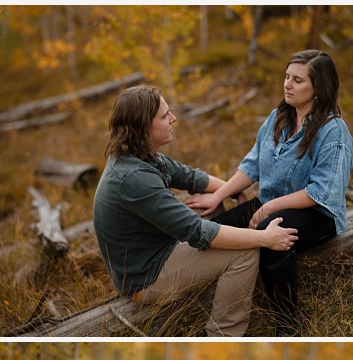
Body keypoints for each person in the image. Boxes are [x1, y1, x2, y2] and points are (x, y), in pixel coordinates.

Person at [93, 85, 299, 337]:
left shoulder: (140, 155)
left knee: (212, 205)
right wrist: (266, 238)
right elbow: (198, 232)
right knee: (245, 252)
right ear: (142, 126)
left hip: (158, 252)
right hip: (146, 279)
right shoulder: (134, 178)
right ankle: (222, 334)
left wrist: (231, 193)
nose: (173, 119)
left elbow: (192, 178)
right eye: (164, 116)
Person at [187, 50, 353, 336]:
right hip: (270, 203)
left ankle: (287, 325)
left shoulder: (332, 130)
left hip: (316, 214)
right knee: (213, 231)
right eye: (287, 77)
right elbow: (252, 165)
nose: (288, 84)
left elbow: (321, 191)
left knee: (269, 232)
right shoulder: (278, 117)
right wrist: (219, 196)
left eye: (298, 80)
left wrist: (270, 207)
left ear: (319, 87)